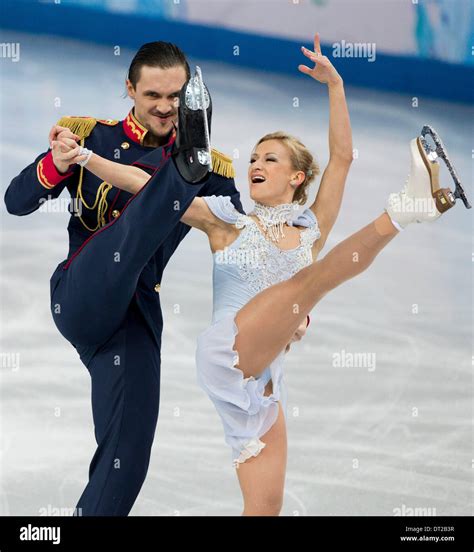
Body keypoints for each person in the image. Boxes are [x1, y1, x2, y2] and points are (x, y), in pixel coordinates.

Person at [54, 34, 468, 516]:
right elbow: (145, 184)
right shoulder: (226, 221)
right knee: (305, 287)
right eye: (253, 157)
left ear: (296, 177)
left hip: (264, 382)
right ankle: (408, 208)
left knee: (264, 508)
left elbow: (342, 159)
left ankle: (411, 207)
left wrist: (335, 84)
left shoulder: (312, 229)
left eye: (270, 159)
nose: (254, 164)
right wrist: (85, 158)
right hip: (227, 351)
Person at [4, 41, 254, 516]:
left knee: (128, 457)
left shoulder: (216, 172)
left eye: (176, 96)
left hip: (135, 312)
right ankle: (179, 175)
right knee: (128, 237)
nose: (165, 106)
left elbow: (241, 248)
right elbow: (16, 201)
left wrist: (290, 307)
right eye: (153, 95)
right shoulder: (89, 139)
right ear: (130, 90)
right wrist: (58, 163)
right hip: (83, 290)